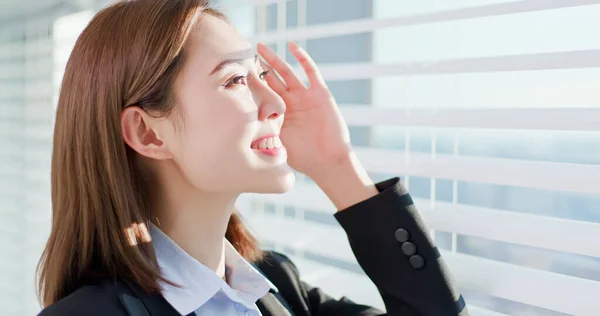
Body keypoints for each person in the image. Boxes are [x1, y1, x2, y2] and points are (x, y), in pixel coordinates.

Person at [36, 0, 468, 315]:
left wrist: (336, 164)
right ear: (148, 132)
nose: (276, 101)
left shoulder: (277, 285)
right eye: (236, 79)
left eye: (262, 75)